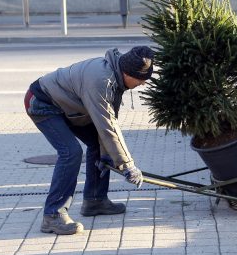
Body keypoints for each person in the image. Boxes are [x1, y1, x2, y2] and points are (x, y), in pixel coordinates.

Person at [24, 46, 154, 235]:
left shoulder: (115, 74)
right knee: (71, 152)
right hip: (42, 103)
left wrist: (111, 156)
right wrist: (128, 166)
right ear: (128, 73)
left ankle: (95, 201)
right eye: (142, 79)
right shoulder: (102, 80)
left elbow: (106, 128)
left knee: (99, 145)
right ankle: (53, 216)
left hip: (69, 107)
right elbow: (107, 126)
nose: (142, 84)